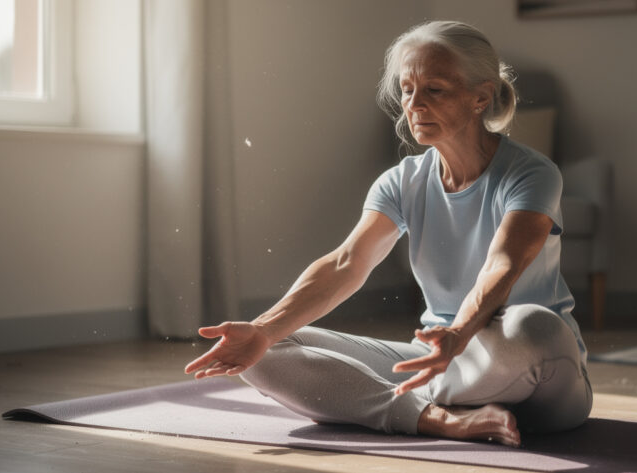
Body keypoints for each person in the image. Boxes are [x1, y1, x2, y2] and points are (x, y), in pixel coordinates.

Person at [185, 20, 591, 448]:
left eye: (434, 89)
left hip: (533, 370)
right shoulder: (402, 181)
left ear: (480, 97)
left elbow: (503, 263)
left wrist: (457, 335)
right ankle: (435, 419)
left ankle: (409, 400)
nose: (414, 104)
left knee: (534, 326)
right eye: (407, 89)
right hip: (441, 364)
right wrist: (265, 329)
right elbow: (347, 262)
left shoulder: (531, 173)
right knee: (261, 350)